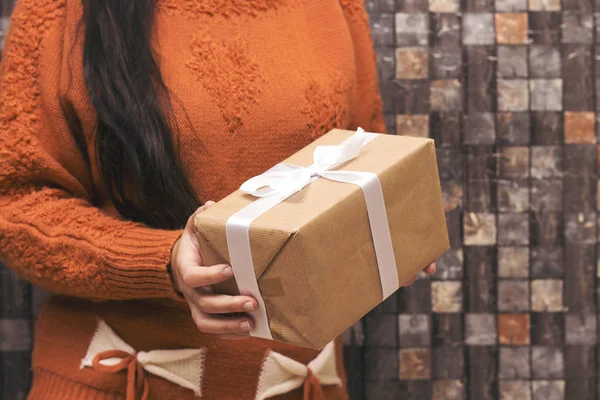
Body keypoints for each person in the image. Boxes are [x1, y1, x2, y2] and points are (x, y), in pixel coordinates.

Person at [0, 0, 436, 398]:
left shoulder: (336, 7)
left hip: (301, 383)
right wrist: (162, 261)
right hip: (117, 381)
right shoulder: (57, 9)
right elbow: (16, 205)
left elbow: (360, 158)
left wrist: (385, 236)